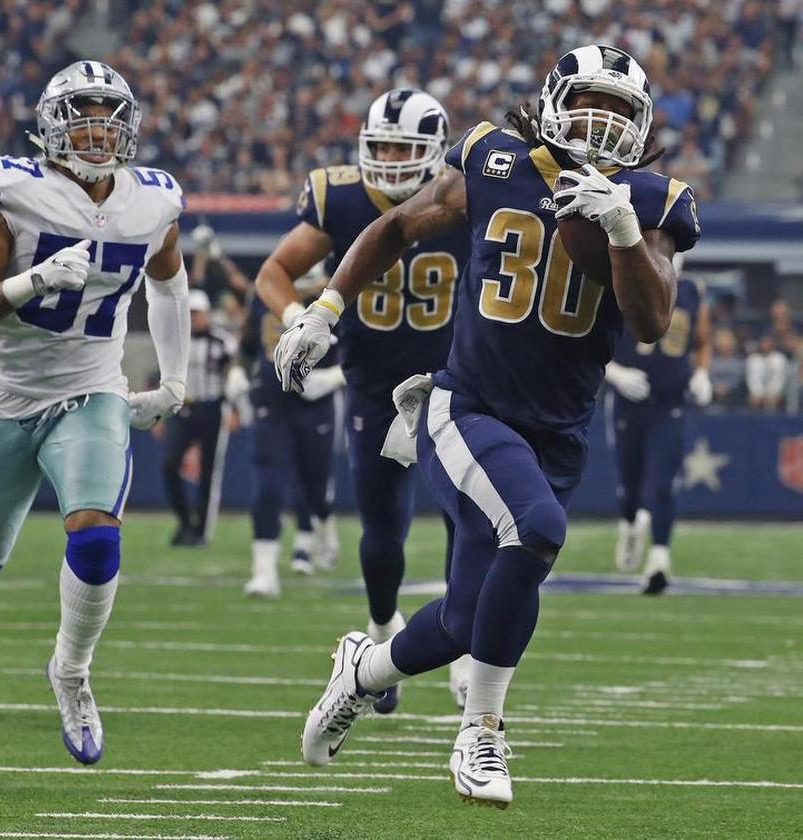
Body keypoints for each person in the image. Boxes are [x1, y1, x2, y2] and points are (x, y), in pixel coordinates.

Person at [277, 44, 700, 807]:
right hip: (466, 405)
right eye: (589, 105)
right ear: (554, 101)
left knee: (471, 618)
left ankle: (361, 672)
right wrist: (325, 307)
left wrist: (624, 231)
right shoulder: (493, 157)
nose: (601, 124)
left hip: (558, 428)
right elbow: (398, 227)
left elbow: (651, 320)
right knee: (535, 529)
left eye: (618, 111)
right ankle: (482, 732)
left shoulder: (653, 197)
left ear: (641, 126)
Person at [0, 60, 190, 780]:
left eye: (108, 114)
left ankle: (71, 670)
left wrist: (177, 376)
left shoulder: (152, 201)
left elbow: (168, 282)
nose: (97, 129)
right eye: (82, 114)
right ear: (52, 124)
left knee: (96, 537)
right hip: (5, 396)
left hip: (92, 391)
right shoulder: (13, 192)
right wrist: (31, 280)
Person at [254, 88, 470, 711]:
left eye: (405, 147)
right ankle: (381, 633)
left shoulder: (467, 192)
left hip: (454, 380)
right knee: (382, 534)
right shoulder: (342, 195)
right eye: (381, 146)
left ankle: (465, 648)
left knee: (468, 517)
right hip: (373, 384)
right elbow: (275, 272)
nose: (392, 159)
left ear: (435, 151)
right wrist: (301, 319)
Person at [605, 256, 711, 593]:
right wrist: (615, 373)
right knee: (630, 484)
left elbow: (702, 340)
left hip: (669, 400)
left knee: (662, 482)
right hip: (628, 400)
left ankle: (659, 558)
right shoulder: (622, 273)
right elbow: (592, 336)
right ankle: (629, 522)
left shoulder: (692, 289)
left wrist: (702, 373)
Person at [242, 271, 343, 597]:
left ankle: (323, 524)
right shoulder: (264, 290)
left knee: (314, 485)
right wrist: (235, 371)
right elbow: (246, 345)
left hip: (316, 402)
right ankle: (264, 571)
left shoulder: (337, 287)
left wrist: (333, 377)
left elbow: (364, 349)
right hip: (273, 399)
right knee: (268, 482)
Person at [162, 289, 238, 547]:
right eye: (189, 313)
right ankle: (185, 521)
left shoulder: (222, 341)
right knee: (169, 464)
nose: (193, 318)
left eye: (196, 313)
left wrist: (236, 409)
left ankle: (201, 531)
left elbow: (236, 373)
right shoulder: (175, 340)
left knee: (208, 472)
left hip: (212, 408)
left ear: (206, 314)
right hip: (183, 408)